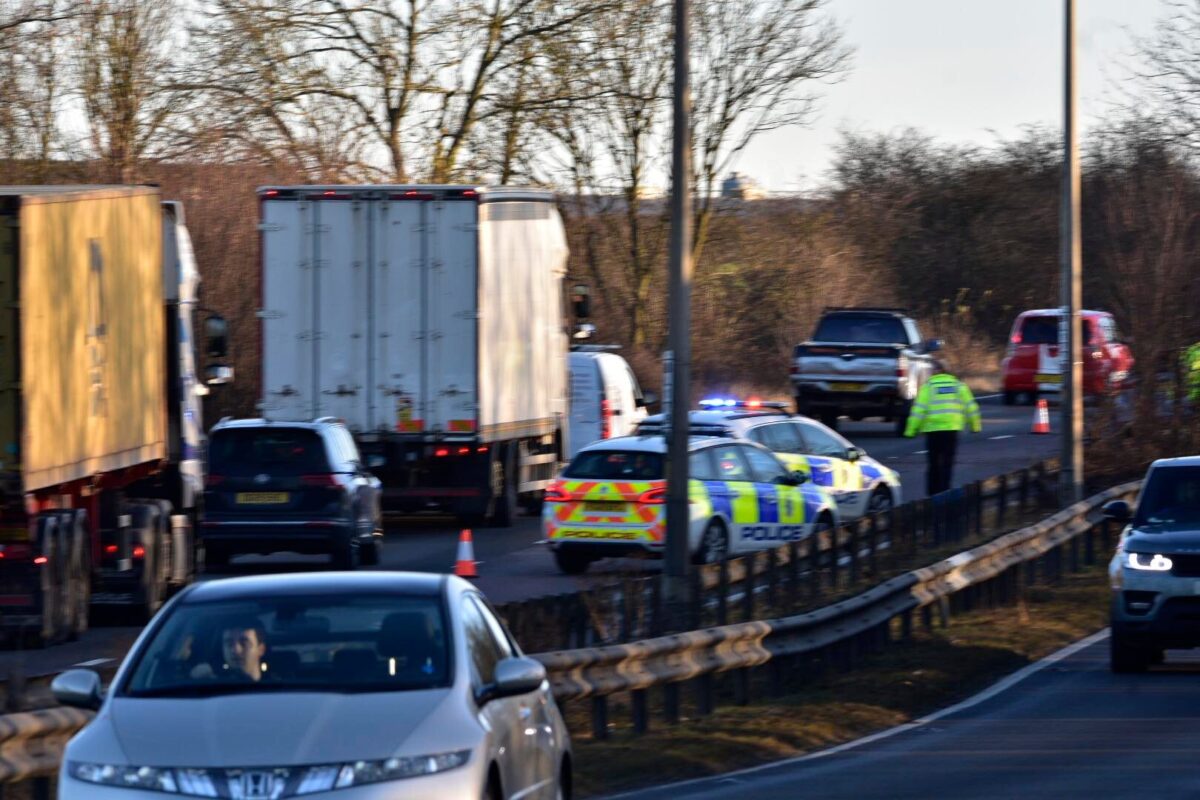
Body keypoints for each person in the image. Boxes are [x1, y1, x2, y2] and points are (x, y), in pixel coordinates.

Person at [904, 359, 982, 496]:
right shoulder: (958, 386)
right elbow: (971, 407)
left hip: (933, 430)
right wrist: (975, 426)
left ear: (934, 372)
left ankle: (932, 494)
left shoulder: (928, 387)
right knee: (947, 462)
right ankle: (945, 490)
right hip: (951, 430)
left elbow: (918, 410)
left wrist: (911, 430)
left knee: (933, 463)